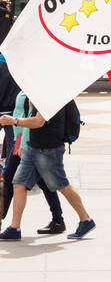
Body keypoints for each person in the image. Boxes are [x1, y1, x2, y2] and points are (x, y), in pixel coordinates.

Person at [0, 100, 94, 241]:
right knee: (19, 183)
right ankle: (14, 228)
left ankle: (86, 220)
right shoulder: (40, 93)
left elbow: (39, 121)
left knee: (62, 186)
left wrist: (14, 120)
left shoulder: (49, 96)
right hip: (33, 147)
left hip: (48, 150)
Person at [1, 89, 66, 233]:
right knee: (44, 183)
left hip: (27, 145)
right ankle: (58, 220)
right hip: (21, 142)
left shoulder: (33, 93)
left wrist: (22, 145)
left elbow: (31, 122)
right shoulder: (25, 90)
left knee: (10, 180)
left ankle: (62, 220)